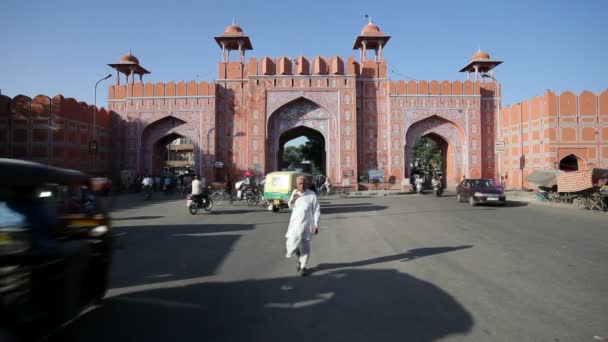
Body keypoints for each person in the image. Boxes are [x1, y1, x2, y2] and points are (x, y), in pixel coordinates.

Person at [285, 176, 321, 276]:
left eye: (304, 183)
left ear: (307, 184)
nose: (302, 185)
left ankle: (303, 266)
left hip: (307, 225)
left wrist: (316, 225)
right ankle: (300, 259)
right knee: (291, 245)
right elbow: (290, 206)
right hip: (295, 224)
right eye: (300, 183)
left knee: (306, 247)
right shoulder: (294, 193)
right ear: (297, 184)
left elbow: (316, 211)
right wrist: (292, 200)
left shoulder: (312, 195)